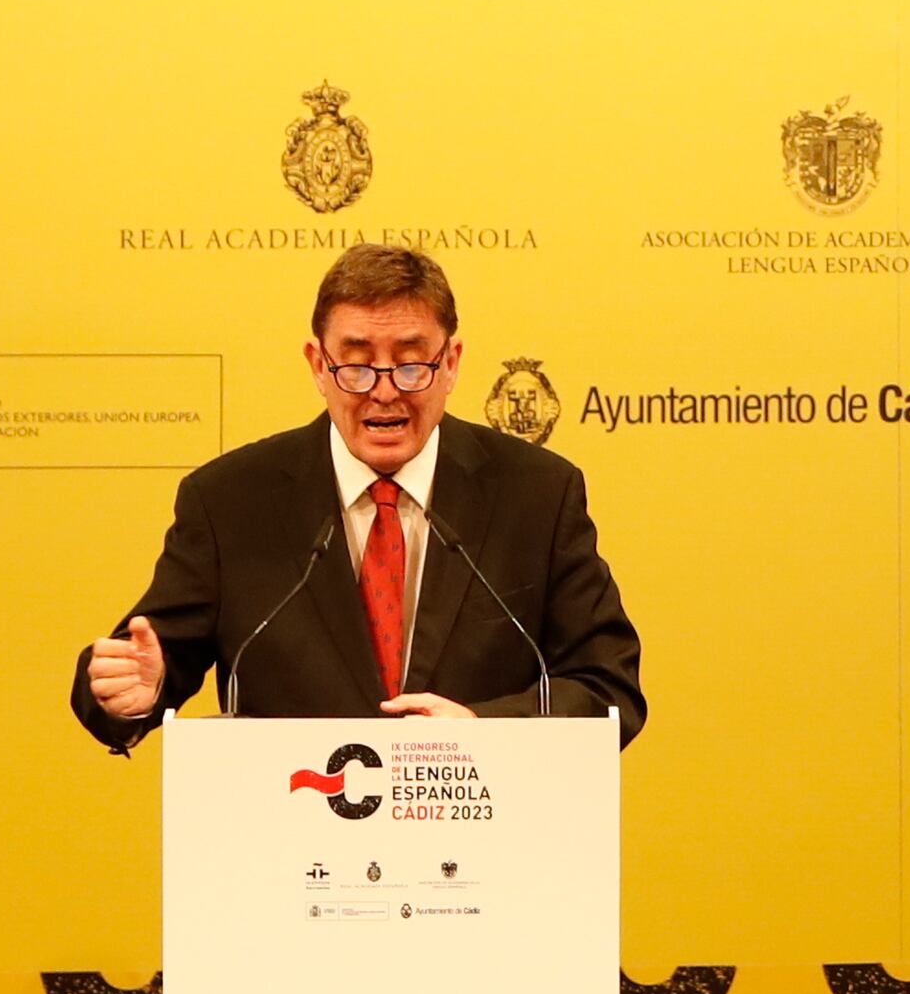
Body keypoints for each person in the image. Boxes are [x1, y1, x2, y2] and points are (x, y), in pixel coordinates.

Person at [69, 241, 646, 749]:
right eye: (358, 364)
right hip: (295, 845)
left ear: (452, 363)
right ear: (318, 364)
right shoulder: (230, 501)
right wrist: (134, 692)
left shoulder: (536, 494)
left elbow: (609, 689)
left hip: (484, 843)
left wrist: (484, 732)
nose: (385, 392)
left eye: (411, 363)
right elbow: (142, 662)